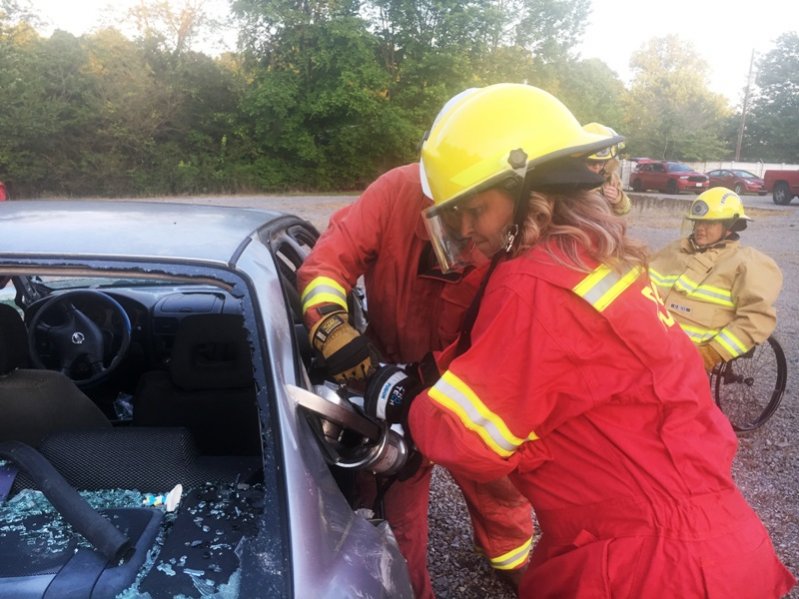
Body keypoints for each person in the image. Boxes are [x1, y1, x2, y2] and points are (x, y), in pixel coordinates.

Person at [363, 83, 796, 598]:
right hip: (707, 548)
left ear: (529, 191)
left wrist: (401, 399)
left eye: (474, 209)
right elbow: (539, 357)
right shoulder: (590, 259)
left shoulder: (537, 283)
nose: (464, 228)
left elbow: (469, 442)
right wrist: (426, 374)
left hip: (648, 568)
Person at [296, 162, 535, 595]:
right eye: (452, 210)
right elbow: (329, 261)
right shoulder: (395, 193)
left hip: (469, 383)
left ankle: (511, 560)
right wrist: (330, 326)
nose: (463, 227)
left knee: (497, 484)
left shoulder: (521, 226)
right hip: (385, 375)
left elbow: (513, 327)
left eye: (476, 210)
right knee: (393, 508)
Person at [649, 187, 782, 370]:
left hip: (688, 358)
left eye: (709, 224)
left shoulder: (745, 263)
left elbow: (756, 319)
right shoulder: (675, 250)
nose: (699, 229)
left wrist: (711, 353)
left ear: (729, 227)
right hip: (649, 342)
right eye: (697, 223)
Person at [582, 122, 631, 215]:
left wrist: (618, 199)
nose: (597, 167)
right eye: (591, 162)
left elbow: (626, 209)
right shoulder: (567, 180)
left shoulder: (611, 178)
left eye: (601, 162)